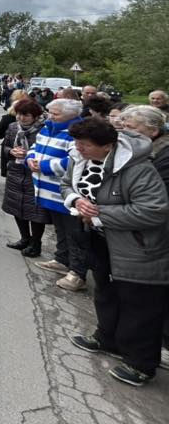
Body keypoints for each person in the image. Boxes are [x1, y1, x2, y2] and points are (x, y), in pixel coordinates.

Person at [63, 119, 169, 387]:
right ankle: (106, 337)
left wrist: (99, 215)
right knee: (106, 292)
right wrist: (76, 200)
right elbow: (67, 185)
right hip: (100, 240)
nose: (78, 148)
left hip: (136, 247)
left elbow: (154, 210)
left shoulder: (138, 169)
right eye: (77, 142)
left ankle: (140, 364)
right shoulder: (80, 158)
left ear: (108, 146)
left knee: (139, 305)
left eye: (85, 144)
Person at [119, 105, 169, 371]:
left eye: (131, 128)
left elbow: (153, 200)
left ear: (153, 130)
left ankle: (145, 360)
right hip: (139, 234)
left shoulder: (162, 155)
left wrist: (106, 210)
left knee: (149, 301)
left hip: (154, 238)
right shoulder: (141, 150)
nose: (125, 132)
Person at [29, 98, 89, 292]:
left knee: (75, 233)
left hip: (65, 191)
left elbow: (74, 159)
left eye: (55, 113)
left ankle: (77, 273)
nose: (50, 116)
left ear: (71, 115)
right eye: (50, 112)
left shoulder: (77, 132)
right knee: (60, 228)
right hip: (47, 189)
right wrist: (30, 159)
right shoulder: (47, 127)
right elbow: (35, 147)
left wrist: (44, 166)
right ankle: (62, 260)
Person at [1, 99, 51, 257]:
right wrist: (11, 152)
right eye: (19, 114)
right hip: (15, 171)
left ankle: (36, 243)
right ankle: (24, 238)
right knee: (16, 207)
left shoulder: (44, 130)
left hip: (35, 174)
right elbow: (5, 146)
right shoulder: (13, 127)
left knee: (35, 212)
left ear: (35, 116)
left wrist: (29, 155)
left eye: (26, 115)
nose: (22, 118)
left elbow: (47, 152)